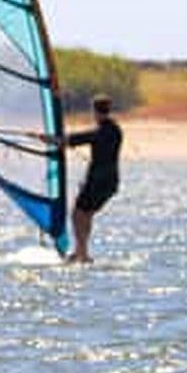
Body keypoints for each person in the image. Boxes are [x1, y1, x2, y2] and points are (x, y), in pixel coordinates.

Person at [63, 94, 122, 263]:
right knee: (87, 213)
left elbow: (69, 140)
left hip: (97, 180)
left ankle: (81, 253)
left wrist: (47, 139)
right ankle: (82, 252)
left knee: (77, 214)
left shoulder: (100, 131)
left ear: (95, 111)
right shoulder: (116, 129)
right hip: (111, 182)